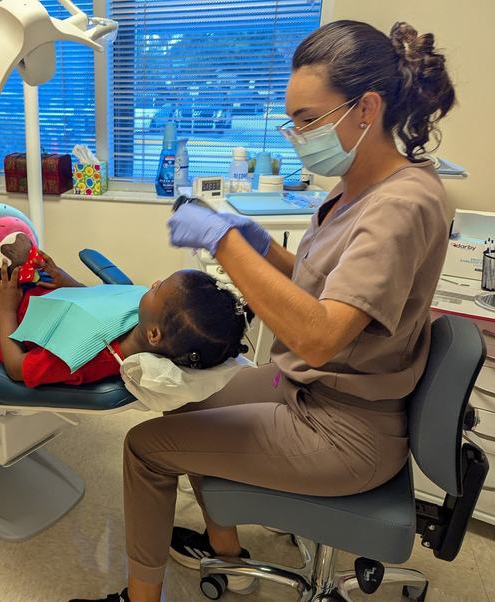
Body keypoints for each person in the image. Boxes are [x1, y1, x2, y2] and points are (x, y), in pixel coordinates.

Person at [74, 19, 455, 602]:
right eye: (293, 119)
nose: (297, 133)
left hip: (344, 429)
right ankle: (228, 557)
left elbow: (322, 335)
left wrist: (224, 244)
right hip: (307, 391)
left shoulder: (403, 204)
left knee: (146, 449)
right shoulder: (352, 186)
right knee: (194, 395)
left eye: (308, 120)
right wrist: (256, 242)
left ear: (365, 108)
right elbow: (315, 283)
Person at [0, 206, 251, 388]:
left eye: (160, 288)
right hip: (39, 300)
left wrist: (4, 307)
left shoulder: (85, 359)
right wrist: (63, 279)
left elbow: (17, 369)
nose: (154, 283)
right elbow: (100, 303)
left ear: (155, 337)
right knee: (14, 251)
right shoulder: (141, 321)